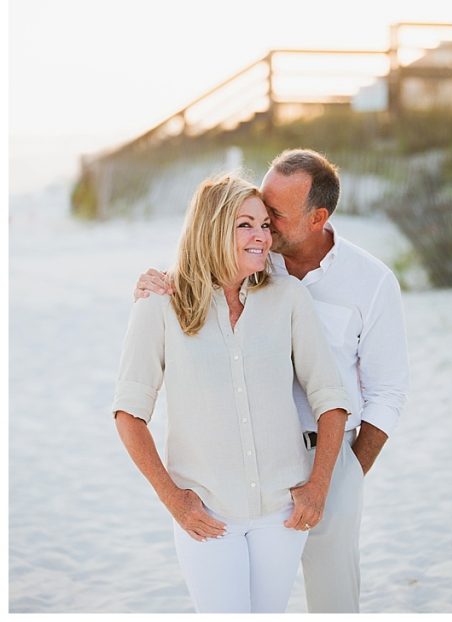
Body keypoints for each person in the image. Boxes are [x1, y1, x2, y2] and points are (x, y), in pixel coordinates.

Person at [135, 149, 409, 613]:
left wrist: (343, 475)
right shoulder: (255, 261)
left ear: (317, 216)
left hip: (331, 454)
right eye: (258, 212)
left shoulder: (372, 281)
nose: (263, 225)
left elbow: (388, 393)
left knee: (333, 598)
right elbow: (200, 271)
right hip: (249, 463)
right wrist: (152, 287)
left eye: (274, 216)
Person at [113, 174, 351, 613]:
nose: (262, 236)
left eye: (264, 224)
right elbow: (129, 415)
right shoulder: (159, 306)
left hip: (282, 513)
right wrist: (175, 500)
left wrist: (318, 486)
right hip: (207, 515)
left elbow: (330, 398)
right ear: (213, 228)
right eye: (246, 225)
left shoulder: (289, 298)